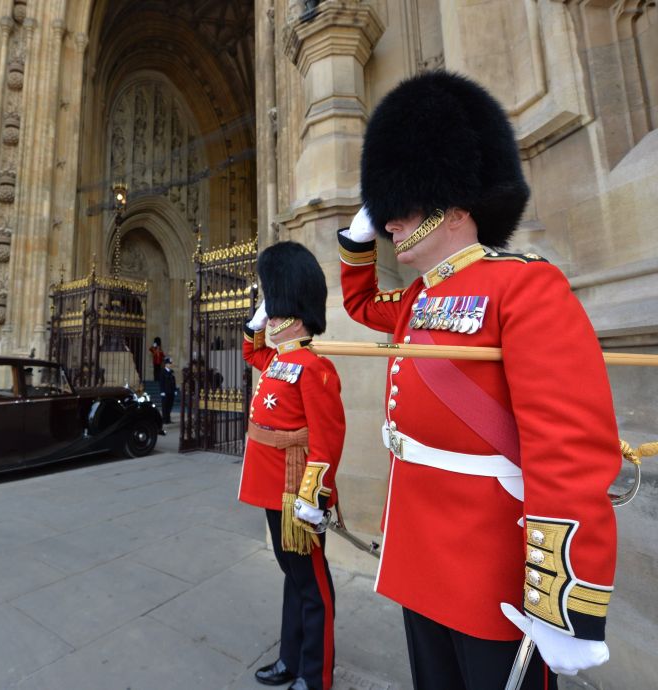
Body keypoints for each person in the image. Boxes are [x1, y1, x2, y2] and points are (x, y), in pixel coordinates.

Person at [338, 70, 620, 689]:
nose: (390, 223)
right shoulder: (415, 298)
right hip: (419, 551)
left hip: (488, 565)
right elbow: (361, 305)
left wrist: (564, 602)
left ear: (451, 203)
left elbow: (568, 448)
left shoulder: (524, 284)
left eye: (400, 206)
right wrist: (356, 240)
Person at [241, 241, 346, 690]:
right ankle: (290, 658)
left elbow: (327, 440)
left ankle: (315, 673)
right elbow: (251, 352)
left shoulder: (313, 367)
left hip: (296, 494)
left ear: (298, 316)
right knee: (293, 579)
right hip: (272, 489)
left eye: (279, 314)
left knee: (313, 586)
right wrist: (257, 319)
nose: (273, 323)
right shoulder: (281, 361)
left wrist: (313, 496)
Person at [159, 356, 176, 424]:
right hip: (165, 391)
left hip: (171, 391)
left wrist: (175, 390)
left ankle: (168, 419)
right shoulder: (163, 372)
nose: (170, 365)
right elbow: (161, 382)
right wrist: (162, 391)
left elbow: (173, 381)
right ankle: (164, 419)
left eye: (170, 363)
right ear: (166, 364)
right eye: (169, 363)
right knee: (165, 406)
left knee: (170, 405)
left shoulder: (172, 371)